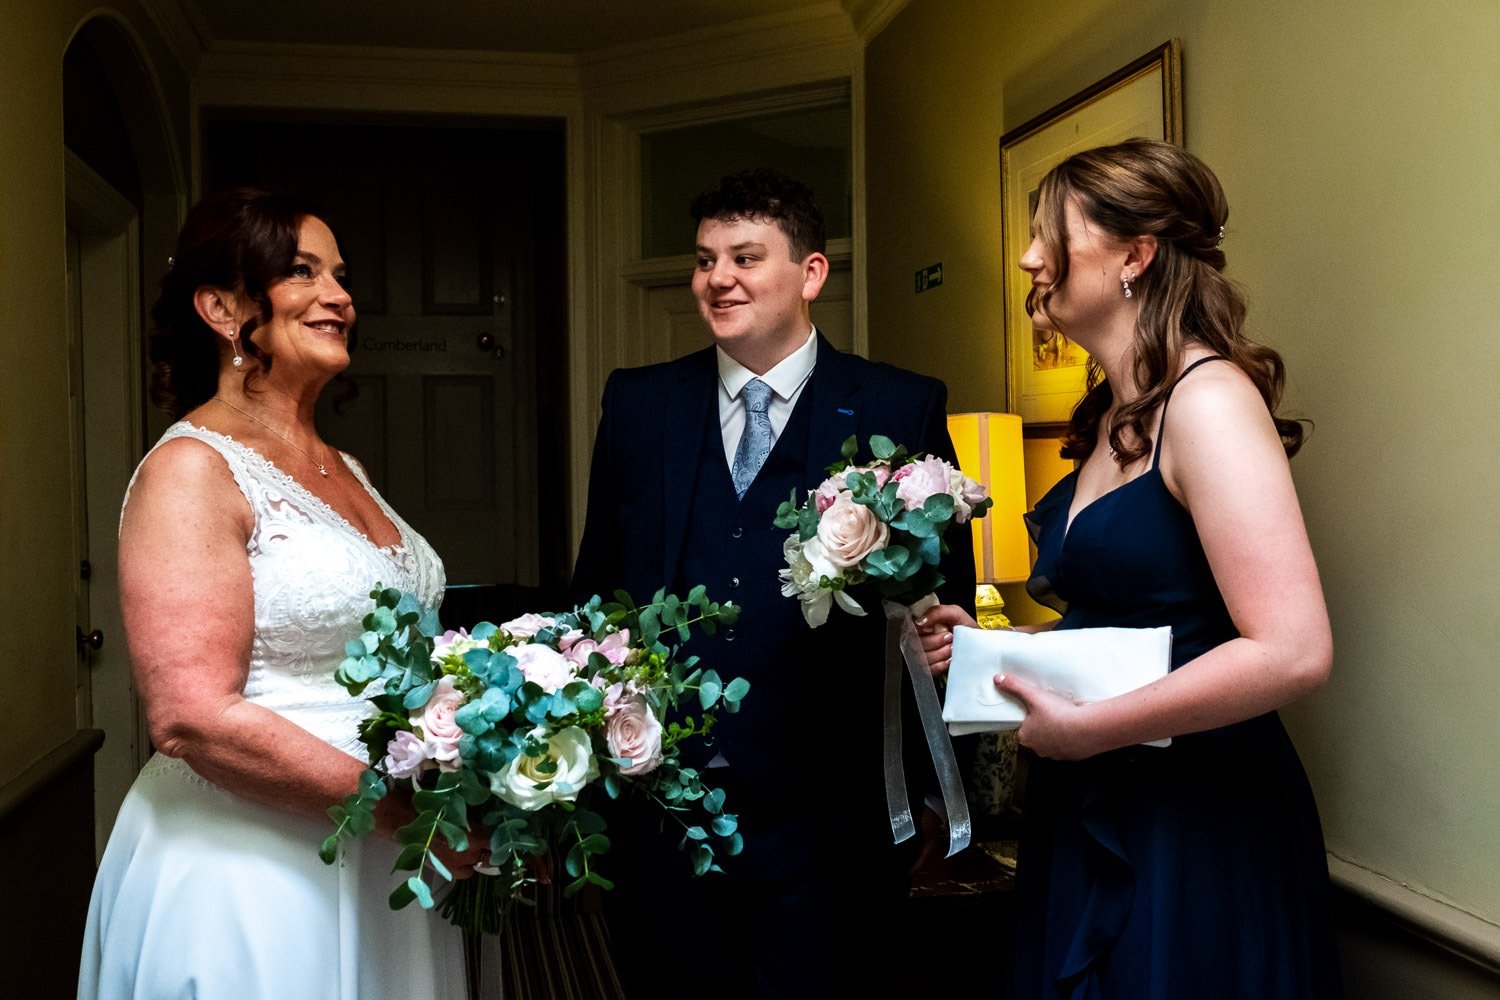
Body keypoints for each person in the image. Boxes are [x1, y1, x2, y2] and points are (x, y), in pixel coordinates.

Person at [919, 138, 1342, 998]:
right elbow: (1135, 617)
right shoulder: (1116, 409)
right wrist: (996, 651)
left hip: (1197, 823)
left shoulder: (1211, 400)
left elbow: (1294, 649)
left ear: (1134, 257)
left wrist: (1091, 730)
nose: (1030, 257)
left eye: (1049, 233)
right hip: (1094, 800)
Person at [571, 167, 975, 997]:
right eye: (705, 260)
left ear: (811, 273)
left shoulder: (899, 405)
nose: (718, 279)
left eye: (746, 257)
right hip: (666, 808)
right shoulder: (640, 406)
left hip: (830, 820)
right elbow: (595, 592)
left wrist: (935, 790)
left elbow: (943, 611)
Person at [77, 188, 482, 998]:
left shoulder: (346, 467)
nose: (340, 296)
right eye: (303, 272)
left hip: (376, 860)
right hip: (249, 871)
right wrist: (398, 809)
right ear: (221, 306)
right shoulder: (191, 469)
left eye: (341, 275)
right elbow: (190, 714)